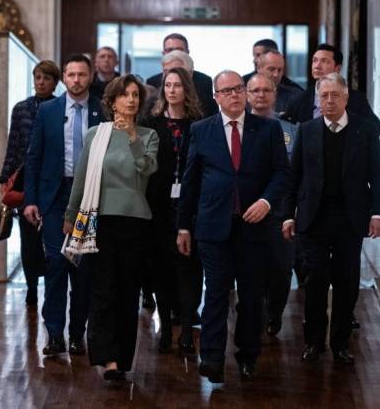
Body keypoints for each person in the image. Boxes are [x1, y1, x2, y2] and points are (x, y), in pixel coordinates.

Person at [177, 70, 288, 383]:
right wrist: (183, 226)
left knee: (251, 296)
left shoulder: (268, 129)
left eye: (239, 88)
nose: (235, 95)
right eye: (227, 91)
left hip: (255, 226)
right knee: (215, 293)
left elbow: (282, 172)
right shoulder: (201, 130)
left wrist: (266, 201)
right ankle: (212, 358)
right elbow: (190, 180)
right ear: (216, 97)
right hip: (213, 226)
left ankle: (248, 354)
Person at [282, 73, 380, 365]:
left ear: (346, 97)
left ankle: (340, 343)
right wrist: (287, 215)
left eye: (334, 95)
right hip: (313, 218)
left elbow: (377, 175)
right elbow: (293, 177)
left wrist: (378, 213)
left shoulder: (364, 130)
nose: (329, 101)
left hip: (350, 219)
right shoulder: (306, 130)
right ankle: (313, 342)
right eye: (324, 96)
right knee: (316, 280)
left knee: (347, 281)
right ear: (318, 99)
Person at [65, 74, 159, 381]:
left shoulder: (148, 135)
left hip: (135, 221)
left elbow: (147, 169)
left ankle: (123, 356)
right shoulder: (96, 134)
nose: (131, 100)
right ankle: (108, 359)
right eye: (124, 95)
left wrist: (132, 137)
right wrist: (70, 215)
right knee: (102, 288)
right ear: (112, 101)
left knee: (128, 291)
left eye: (136, 95)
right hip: (100, 218)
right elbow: (81, 177)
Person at [24, 54, 104, 357]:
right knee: (56, 263)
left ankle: (77, 334)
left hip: (88, 198)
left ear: (90, 76)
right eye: (71, 75)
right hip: (55, 196)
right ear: (64, 78)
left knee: (81, 267)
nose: (76, 80)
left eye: (81, 74)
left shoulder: (102, 110)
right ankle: (55, 334)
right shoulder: (48, 111)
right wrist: (31, 200)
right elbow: (34, 158)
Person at [143, 67, 204, 356]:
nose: (171, 90)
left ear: (186, 89)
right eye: (167, 85)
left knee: (189, 270)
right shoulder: (151, 124)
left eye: (177, 85)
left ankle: (188, 330)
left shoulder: (199, 124)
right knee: (162, 270)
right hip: (158, 207)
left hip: (190, 207)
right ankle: (166, 327)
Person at [0, 60, 60, 307]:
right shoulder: (21, 109)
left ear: (55, 82)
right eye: (38, 77)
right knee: (28, 237)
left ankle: (52, 284)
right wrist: (5, 177)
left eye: (46, 78)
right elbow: (13, 144)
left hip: (52, 176)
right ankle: (32, 286)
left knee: (51, 234)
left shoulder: (59, 106)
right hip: (25, 177)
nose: (41, 82)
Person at [246, 74, 298, 337]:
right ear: (247, 95)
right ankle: (255, 314)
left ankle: (274, 312)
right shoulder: (239, 128)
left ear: (275, 95)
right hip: (248, 211)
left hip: (280, 210)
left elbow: (296, 172)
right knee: (251, 269)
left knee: (281, 268)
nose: (261, 95)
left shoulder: (291, 130)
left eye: (266, 90)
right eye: (255, 90)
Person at [283, 43, 380, 135]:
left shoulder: (356, 99)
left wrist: (343, 117)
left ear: (337, 68)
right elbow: (287, 135)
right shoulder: (298, 101)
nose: (317, 66)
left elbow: (376, 128)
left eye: (324, 61)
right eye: (315, 60)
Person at [146, 33, 217, 116]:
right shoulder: (152, 82)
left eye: (179, 50)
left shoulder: (204, 81)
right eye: (170, 50)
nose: (174, 53)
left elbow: (208, 112)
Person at [256, 49, 302, 115]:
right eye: (271, 69)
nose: (276, 75)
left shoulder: (296, 96)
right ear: (259, 68)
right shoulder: (244, 96)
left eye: (280, 70)